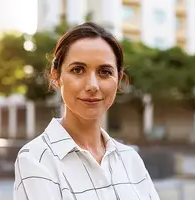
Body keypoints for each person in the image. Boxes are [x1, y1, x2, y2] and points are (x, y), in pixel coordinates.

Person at [13, 22, 160, 200]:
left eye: (104, 72)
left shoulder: (130, 159)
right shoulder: (36, 159)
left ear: (119, 79)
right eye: (78, 70)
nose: (92, 85)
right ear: (56, 75)